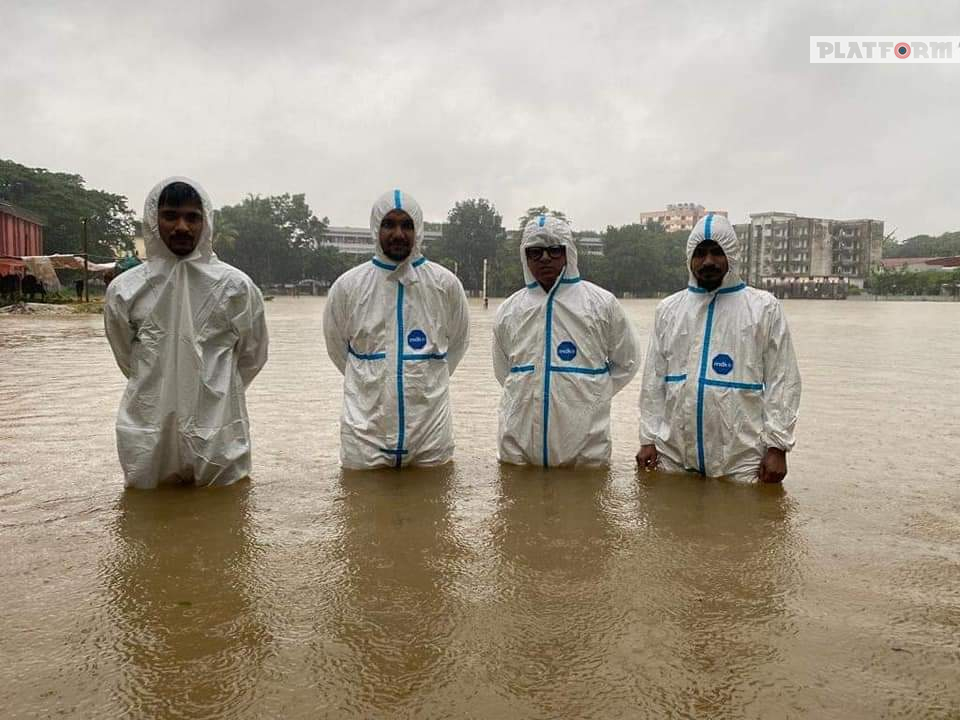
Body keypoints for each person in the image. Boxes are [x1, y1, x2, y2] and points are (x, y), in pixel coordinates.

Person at [104, 177, 268, 488]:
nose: (182, 227)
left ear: (206, 222)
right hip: (148, 429)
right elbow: (126, 357)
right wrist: (159, 382)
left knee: (224, 519)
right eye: (170, 216)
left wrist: (215, 389)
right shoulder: (125, 290)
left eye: (192, 217)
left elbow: (252, 355)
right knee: (147, 521)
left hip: (219, 428)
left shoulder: (236, 287)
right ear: (153, 221)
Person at [637, 214, 801, 482]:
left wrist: (777, 447)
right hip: (674, 453)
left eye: (717, 253)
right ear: (690, 258)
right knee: (670, 519)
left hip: (741, 458)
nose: (709, 262)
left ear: (732, 256)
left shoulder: (763, 308)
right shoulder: (669, 310)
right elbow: (654, 381)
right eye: (700, 254)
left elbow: (782, 380)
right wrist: (647, 438)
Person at [323, 189, 470, 469]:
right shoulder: (348, 286)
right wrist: (372, 378)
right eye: (389, 224)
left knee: (433, 507)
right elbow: (337, 349)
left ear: (419, 230)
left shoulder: (445, 284)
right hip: (364, 433)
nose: (398, 234)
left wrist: (425, 380)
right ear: (375, 228)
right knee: (361, 508)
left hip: (430, 432)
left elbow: (459, 342)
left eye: (407, 225)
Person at [493, 214, 639, 467]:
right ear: (524, 257)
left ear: (568, 252)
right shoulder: (509, 310)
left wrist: (594, 394)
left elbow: (628, 361)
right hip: (519, 451)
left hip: (585, 453)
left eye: (554, 250)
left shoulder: (601, 304)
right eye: (535, 252)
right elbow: (504, 373)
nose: (545, 258)